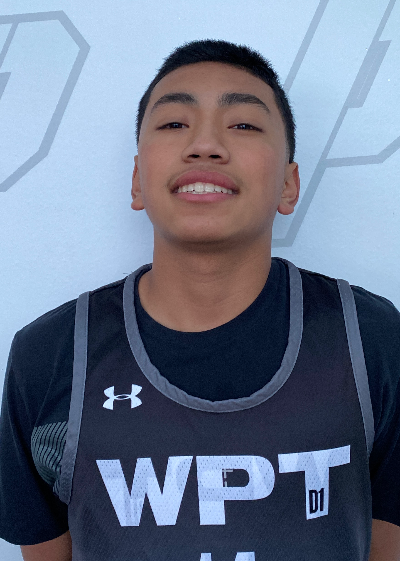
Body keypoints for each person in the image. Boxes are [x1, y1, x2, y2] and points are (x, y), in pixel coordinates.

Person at [0, 40, 399, 561]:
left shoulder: (369, 338)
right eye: (174, 123)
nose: (205, 145)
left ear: (288, 185)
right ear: (137, 180)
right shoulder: (51, 355)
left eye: (243, 125)